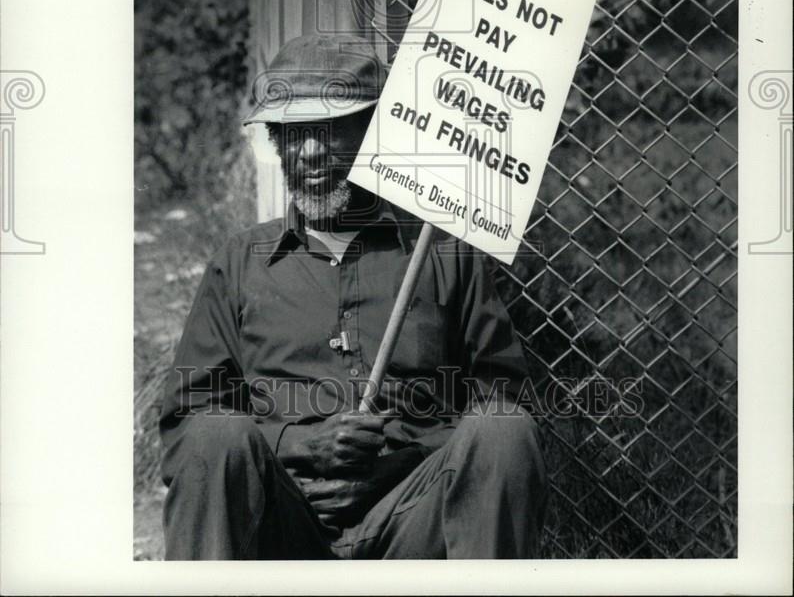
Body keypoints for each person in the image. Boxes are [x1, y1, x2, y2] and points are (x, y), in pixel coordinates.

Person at [159, 33, 547, 559]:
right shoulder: (240, 263)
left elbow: (505, 397)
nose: (312, 152)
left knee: (504, 431)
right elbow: (186, 422)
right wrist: (301, 447)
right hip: (284, 522)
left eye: (334, 129)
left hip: (413, 520)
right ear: (275, 141)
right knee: (210, 437)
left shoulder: (440, 252)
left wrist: (402, 456)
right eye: (294, 132)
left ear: (375, 133)